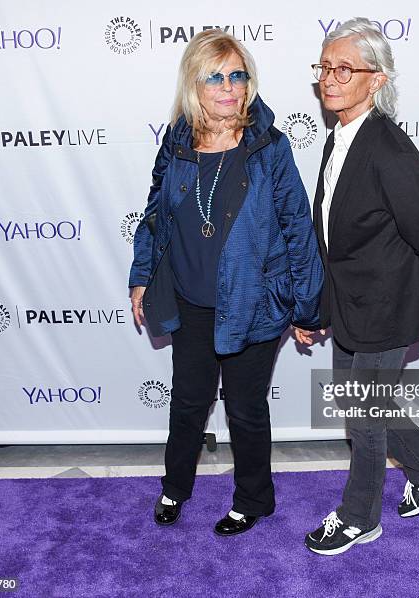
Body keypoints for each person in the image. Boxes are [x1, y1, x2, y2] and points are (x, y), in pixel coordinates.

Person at [129, 29, 323, 537]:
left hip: (254, 301)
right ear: (194, 83)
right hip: (190, 298)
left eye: (238, 75)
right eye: (215, 76)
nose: (230, 87)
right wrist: (141, 277)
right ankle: (174, 487)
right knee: (188, 402)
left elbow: (297, 227)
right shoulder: (176, 142)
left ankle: (253, 499)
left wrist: (307, 307)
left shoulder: (269, 147)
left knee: (245, 407)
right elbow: (154, 216)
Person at [299, 17, 419, 556]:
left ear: (377, 79)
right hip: (350, 302)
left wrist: (418, 283)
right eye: (324, 66)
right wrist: (324, 305)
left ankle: (358, 517)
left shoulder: (389, 149)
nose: (330, 77)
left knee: (365, 418)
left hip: (386, 305)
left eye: (344, 68)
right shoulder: (340, 137)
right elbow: (335, 236)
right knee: (363, 407)